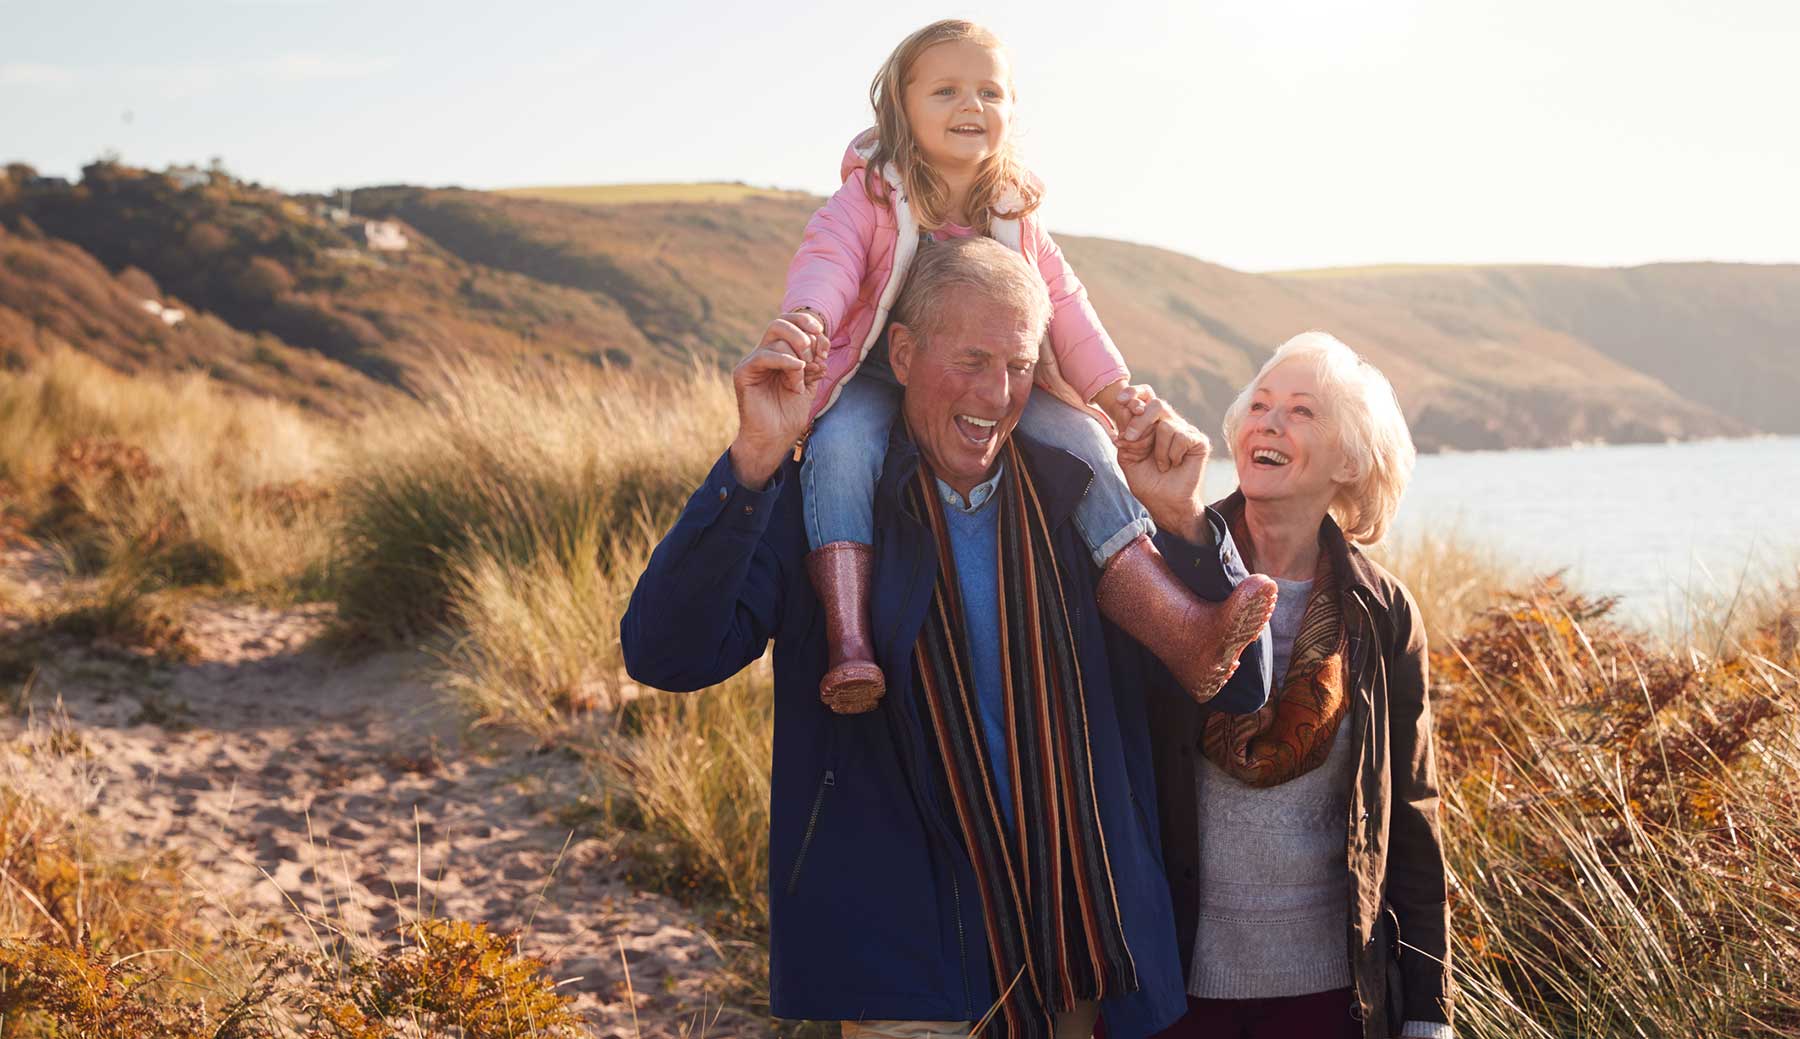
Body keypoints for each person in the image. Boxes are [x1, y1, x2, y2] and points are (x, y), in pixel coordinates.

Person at [622, 236, 1277, 1039]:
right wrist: (754, 459)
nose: (997, 393)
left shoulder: (1080, 501)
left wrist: (1182, 520)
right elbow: (666, 654)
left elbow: (1238, 690)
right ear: (900, 352)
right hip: (904, 966)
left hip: (1079, 957)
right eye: (970, 359)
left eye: (1018, 364)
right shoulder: (827, 511)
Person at [772, 18, 1262, 715]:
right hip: (876, 371)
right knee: (842, 446)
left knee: (1087, 443)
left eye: (990, 92)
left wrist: (1113, 390)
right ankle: (849, 639)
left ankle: (1180, 627)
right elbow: (829, 260)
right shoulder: (873, 196)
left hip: (997, 372)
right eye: (945, 90)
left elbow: (1063, 302)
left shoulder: (1015, 212)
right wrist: (808, 321)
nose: (971, 106)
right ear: (900, 105)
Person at [1147, 333, 1454, 1039]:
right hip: (1171, 988)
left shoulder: (1384, 614)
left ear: (1348, 459)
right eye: (1259, 405)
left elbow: (1411, 812)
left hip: (1331, 997)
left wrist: (1430, 1009)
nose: (1270, 422)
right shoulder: (1166, 568)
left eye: (1301, 411)